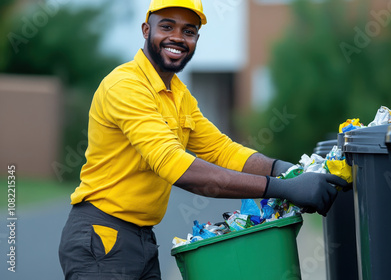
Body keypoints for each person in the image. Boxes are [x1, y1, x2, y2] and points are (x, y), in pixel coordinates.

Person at [58, 0, 350, 279]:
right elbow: (178, 168)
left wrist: (292, 171)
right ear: (146, 30)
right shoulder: (125, 87)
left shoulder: (178, 95)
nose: (177, 38)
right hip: (103, 234)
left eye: (188, 31)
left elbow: (222, 150)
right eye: (167, 27)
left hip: (142, 237)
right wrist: (283, 188)